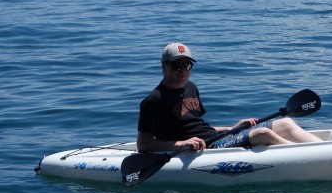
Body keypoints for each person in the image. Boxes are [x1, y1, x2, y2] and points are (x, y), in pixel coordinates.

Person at [137, 42, 320, 153]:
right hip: (206, 149)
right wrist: (181, 144)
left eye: (187, 66)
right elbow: (144, 144)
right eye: (177, 66)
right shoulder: (154, 100)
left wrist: (232, 128)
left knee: (285, 123)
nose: (183, 71)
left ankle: (324, 149)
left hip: (220, 138)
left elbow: (199, 126)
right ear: (164, 66)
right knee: (262, 133)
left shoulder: (191, 88)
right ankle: (310, 157)